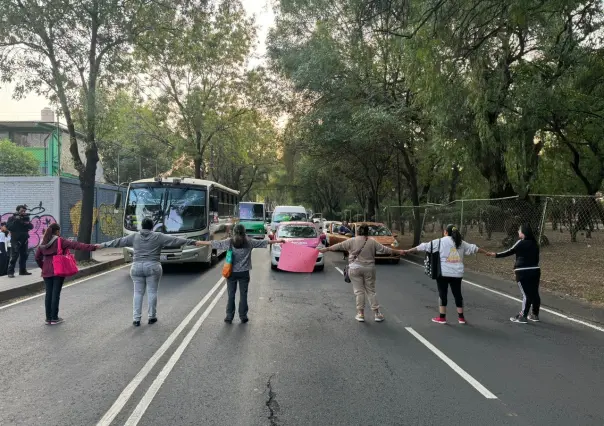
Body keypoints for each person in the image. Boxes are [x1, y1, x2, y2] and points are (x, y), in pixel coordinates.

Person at [99, 217, 206, 326]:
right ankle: (152, 317)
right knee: (152, 292)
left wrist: (101, 246)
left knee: (138, 293)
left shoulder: (134, 236)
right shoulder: (158, 236)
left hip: (136, 267)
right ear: (152, 227)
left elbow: (118, 242)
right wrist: (194, 242)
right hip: (152, 266)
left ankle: (136, 319)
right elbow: (175, 240)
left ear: (142, 227)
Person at [197, 224, 284, 323]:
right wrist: (279, 241)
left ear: (233, 233)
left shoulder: (229, 242)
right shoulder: (249, 242)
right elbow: (265, 242)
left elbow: (214, 243)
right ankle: (243, 316)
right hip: (244, 273)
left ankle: (229, 316)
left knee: (231, 295)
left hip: (231, 273)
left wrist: (198, 242)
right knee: (243, 295)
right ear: (244, 233)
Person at [404, 224, 490, 324]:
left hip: (443, 273)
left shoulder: (439, 241)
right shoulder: (461, 242)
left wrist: (406, 251)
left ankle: (442, 318)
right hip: (457, 274)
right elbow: (474, 248)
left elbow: (423, 246)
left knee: (442, 294)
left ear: (445, 232)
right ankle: (461, 318)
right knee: (457, 294)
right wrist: (487, 252)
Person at [320, 223, 406, 323]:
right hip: (369, 269)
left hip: (355, 269)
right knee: (371, 291)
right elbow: (385, 249)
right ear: (367, 232)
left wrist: (325, 249)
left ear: (357, 231)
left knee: (359, 292)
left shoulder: (351, 241)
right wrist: (399, 252)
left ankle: (360, 314)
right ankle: (377, 314)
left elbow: (338, 246)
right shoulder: (372, 242)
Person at [35, 223, 98, 325]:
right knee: (56, 294)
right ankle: (54, 318)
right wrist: (93, 247)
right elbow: (76, 245)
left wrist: (43, 266)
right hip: (58, 269)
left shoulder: (43, 242)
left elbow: (37, 257)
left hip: (46, 271)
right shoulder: (60, 240)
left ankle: (48, 318)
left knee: (48, 294)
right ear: (57, 231)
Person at [487, 223, 541, 324]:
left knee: (526, 294)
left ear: (523, 233)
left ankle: (522, 316)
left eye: (519, 230)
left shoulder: (520, 242)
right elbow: (537, 258)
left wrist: (496, 255)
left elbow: (510, 251)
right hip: (535, 270)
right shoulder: (535, 244)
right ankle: (535, 314)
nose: (518, 232)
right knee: (534, 293)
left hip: (522, 272)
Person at [6, 205, 34, 278]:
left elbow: (31, 227)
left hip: (24, 240)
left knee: (24, 256)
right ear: (18, 211)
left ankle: (22, 270)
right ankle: (10, 272)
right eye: (22, 211)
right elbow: (9, 227)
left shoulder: (26, 218)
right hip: (15, 240)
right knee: (14, 256)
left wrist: (27, 223)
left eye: (24, 211)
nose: (23, 212)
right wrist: (16, 220)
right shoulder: (11, 218)